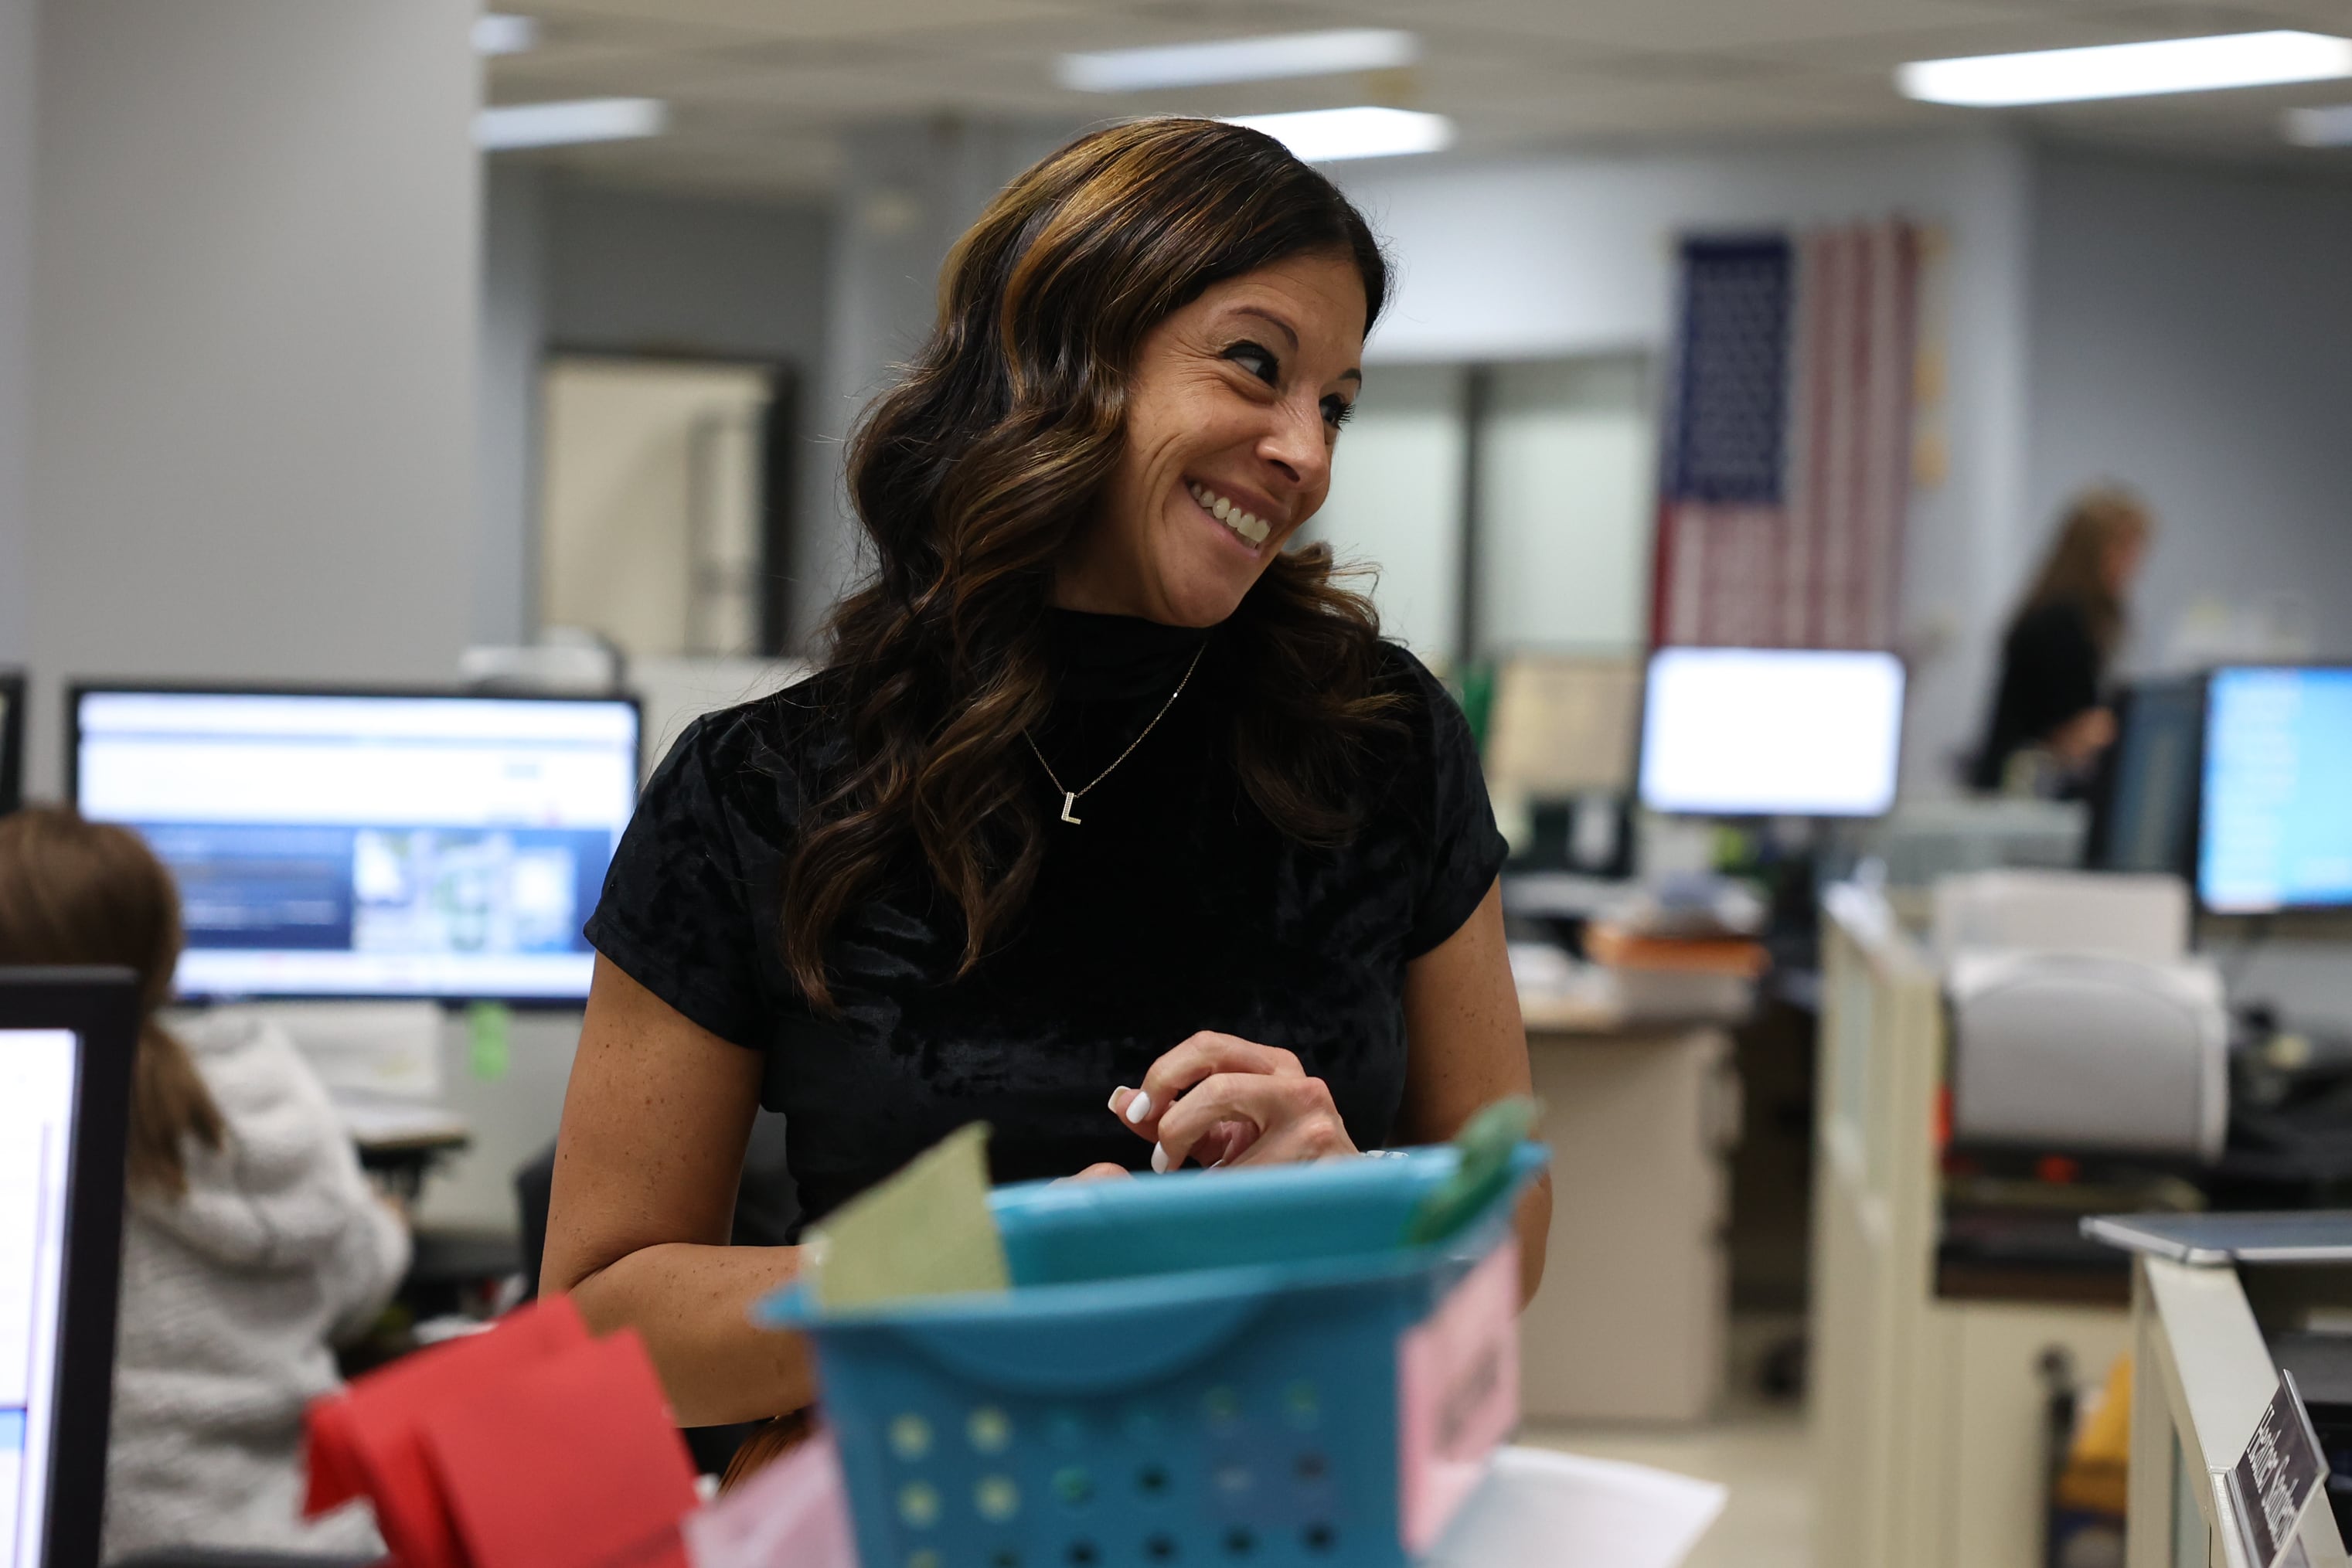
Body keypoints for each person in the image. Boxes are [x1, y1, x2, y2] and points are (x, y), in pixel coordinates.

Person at [543, 117, 1551, 1433]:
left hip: (1284, 1500)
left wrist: (1350, 1196)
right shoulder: (761, 790)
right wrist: (971, 1266)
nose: (1304, 452)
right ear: (1063, 359)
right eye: (1255, 366)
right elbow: (595, 1318)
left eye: (1336, 405)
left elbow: (1510, 1223)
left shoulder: (1377, 739)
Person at [0, 808, 408, 1563]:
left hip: (120, 1543)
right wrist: (391, 1226)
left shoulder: (33, 1111)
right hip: (321, 1541)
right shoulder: (268, 1080)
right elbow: (353, 1284)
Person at [1970, 486, 2153, 794]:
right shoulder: (2060, 623)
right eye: (2125, 550)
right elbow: (2073, 732)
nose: (2134, 564)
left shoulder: (2068, 615)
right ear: (2094, 552)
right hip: (2019, 792)